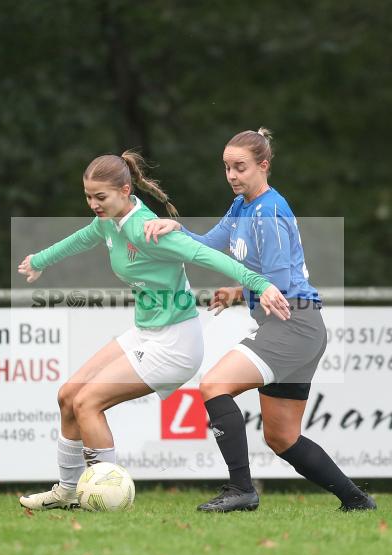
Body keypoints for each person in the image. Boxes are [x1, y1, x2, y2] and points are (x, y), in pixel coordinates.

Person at [17, 150, 290, 510]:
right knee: (68, 394)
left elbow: (206, 256)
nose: (94, 205)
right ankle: (67, 492)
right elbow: (81, 238)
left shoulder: (147, 230)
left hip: (174, 343)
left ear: (125, 190)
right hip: (146, 333)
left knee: (87, 402)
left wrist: (260, 283)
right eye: (88, 197)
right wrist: (39, 261)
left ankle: (107, 497)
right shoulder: (109, 221)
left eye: (101, 197)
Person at [143, 128, 376, 512]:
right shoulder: (242, 207)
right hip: (296, 325)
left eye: (240, 167)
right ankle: (356, 500)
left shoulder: (269, 209)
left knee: (214, 384)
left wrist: (246, 289)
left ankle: (241, 490)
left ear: (263, 166)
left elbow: (280, 281)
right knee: (282, 437)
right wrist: (177, 229)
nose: (232, 175)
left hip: (294, 324)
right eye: (227, 168)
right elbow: (207, 244)